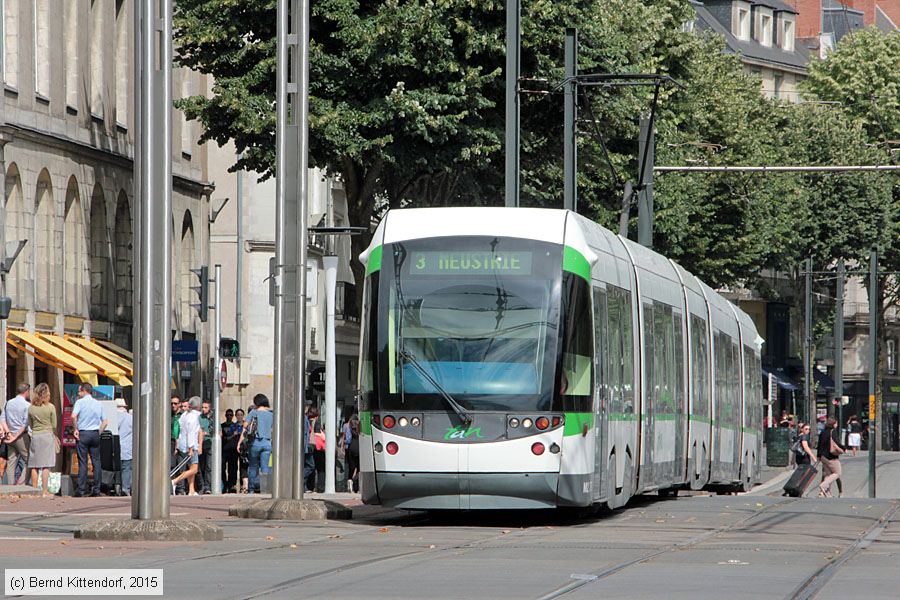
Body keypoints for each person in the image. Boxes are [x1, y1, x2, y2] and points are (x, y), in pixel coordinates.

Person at [72, 383, 108, 497]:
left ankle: (81, 489)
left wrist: (75, 429)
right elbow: (105, 422)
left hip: (83, 433)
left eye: (79, 391)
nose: (78, 394)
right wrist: (99, 432)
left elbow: (73, 416)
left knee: (83, 462)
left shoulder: (79, 402)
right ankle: (96, 489)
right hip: (94, 433)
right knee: (96, 462)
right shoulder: (98, 404)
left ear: (84, 391)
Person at [27, 383, 57, 497]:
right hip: (47, 435)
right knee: (46, 465)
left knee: (34, 464)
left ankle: (35, 491)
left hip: (35, 435)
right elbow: (54, 424)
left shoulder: (31, 408)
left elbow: (30, 424)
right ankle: (44, 491)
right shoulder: (50, 407)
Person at [238, 394, 273, 494]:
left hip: (255, 442)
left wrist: (240, 442)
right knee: (265, 467)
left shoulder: (254, 412)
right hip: (267, 443)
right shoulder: (271, 414)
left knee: (253, 466)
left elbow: (245, 426)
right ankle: (265, 489)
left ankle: (251, 489)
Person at [171, 396, 203, 496]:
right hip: (191, 446)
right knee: (194, 469)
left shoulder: (185, 414)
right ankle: (174, 481)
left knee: (190, 468)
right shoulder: (193, 417)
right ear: (198, 406)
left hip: (183, 444)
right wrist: (191, 448)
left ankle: (191, 490)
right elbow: (191, 433)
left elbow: (181, 428)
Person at [3, 383, 31, 485]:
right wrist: (15, 436)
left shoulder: (8, 402)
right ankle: (21, 484)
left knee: (11, 461)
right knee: (29, 460)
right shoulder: (27, 405)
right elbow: (25, 424)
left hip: (10, 436)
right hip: (21, 437)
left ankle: (10, 486)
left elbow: (2, 419)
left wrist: (8, 433)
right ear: (27, 392)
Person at [817, 416, 845, 498]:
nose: (837, 425)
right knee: (837, 472)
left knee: (828, 474)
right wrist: (844, 448)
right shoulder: (833, 432)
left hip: (823, 456)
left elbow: (819, 445)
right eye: (836, 423)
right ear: (833, 424)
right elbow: (837, 442)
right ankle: (824, 485)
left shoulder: (823, 432)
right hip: (831, 456)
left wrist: (818, 456)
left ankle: (827, 493)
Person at [116, 398, 133, 496]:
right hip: (127, 448)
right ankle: (125, 488)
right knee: (126, 468)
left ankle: (113, 485)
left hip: (113, 448)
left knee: (114, 468)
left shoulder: (112, 417)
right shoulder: (130, 418)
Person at [221, 409, 240, 493]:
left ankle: (232, 485)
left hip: (233, 450)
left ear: (233, 416)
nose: (229, 416)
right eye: (227, 415)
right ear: (225, 415)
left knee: (233, 469)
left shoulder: (235, 426)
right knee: (222, 468)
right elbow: (224, 438)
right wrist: (232, 435)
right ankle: (224, 485)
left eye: (230, 415)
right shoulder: (222, 426)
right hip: (224, 450)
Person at [198, 401, 214, 494]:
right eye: (202, 407)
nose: (203, 409)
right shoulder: (199, 418)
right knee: (200, 466)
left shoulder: (213, 419)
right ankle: (202, 485)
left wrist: (206, 433)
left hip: (210, 445)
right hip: (201, 445)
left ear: (209, 409)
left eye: (205, 407)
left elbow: (219, 432)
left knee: (209, 467)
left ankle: (207, 486)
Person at [346, 416, 360, 493]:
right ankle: (356, 485)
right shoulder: (360, 428)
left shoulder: (349, 427)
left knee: (351, 467)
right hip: (359, 448)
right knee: (359, 468)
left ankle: (350, 480)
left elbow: (348, 439)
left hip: (351, 448)